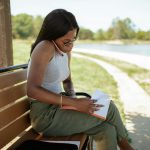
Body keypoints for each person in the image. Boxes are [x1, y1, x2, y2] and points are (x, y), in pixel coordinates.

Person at [27, 9, 135, 150]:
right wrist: (74, 103)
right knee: (109, 108)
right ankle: (128, 148)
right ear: (53, 35)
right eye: (66, 41)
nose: (71, 46)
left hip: (59, 108)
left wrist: (73, 101)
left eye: (73, 40)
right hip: (45, 117)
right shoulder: (45, 47)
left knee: (107, 129)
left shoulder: (65, 51)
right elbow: (32, 90)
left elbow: (67, 80)